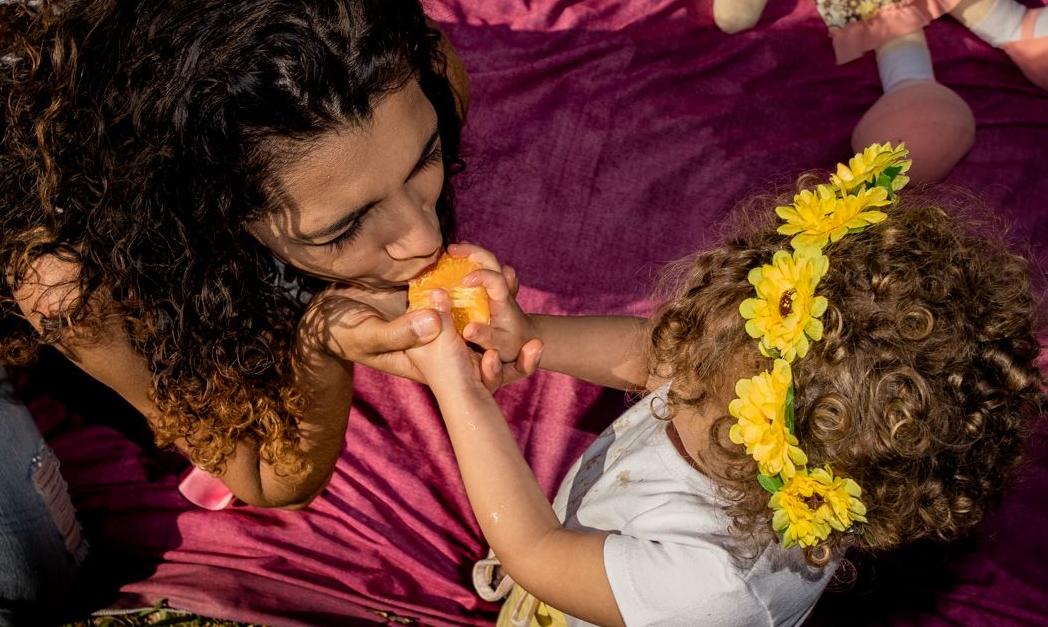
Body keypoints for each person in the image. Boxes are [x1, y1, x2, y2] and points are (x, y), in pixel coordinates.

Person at [0, 0, 539, 622]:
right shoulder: (75, 277)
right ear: (206, 216)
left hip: (21, 44)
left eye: (423, 160)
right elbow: (261, 473)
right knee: (16, 585)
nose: (422, 239)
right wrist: (321, 344)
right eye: (345, 222)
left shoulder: (401, 71)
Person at [405, 144, 1046, 626]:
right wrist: (528, 334)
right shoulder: (767, 394)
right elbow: (652, 355)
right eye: (699, 343)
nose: (680, 363)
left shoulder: (715, 584)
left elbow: (534, 547)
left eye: (700, 376)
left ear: (765, 448)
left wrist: (456, 389)